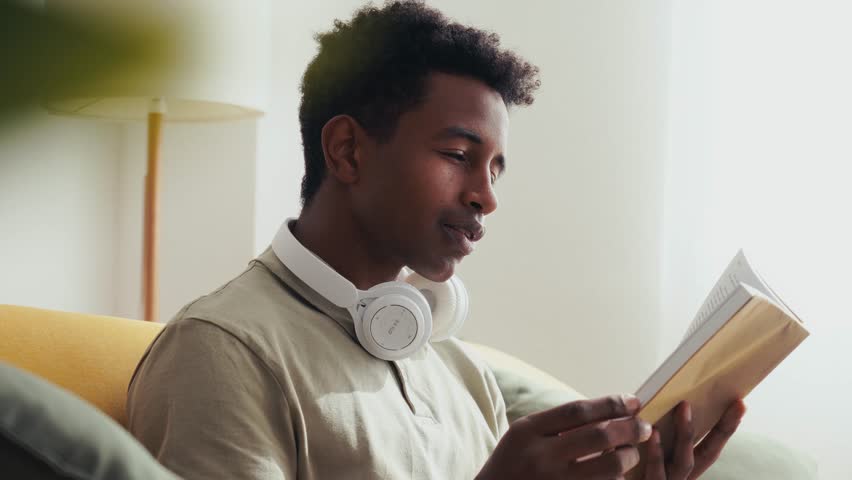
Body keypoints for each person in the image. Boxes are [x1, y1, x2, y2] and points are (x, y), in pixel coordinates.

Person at [127, 2, 746, 479]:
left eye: (496, 170)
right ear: (347, 150)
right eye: (458, 155)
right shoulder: (222, 351)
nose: (486, 196)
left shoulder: (460, 373)